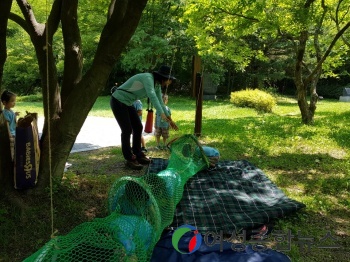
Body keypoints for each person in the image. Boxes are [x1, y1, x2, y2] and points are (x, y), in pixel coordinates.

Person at [110, 65, 178, 170]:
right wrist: (161, 114)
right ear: (164, 78)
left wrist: (170, 119)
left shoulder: (157, 85)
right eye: (170, 80)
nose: (170, 82)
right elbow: (152, 95)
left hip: (128, 103)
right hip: (118, 100)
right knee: (127, 129)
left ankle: (138, 154)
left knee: (138, 127)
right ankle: (129, 158)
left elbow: (160, 101)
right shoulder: (148, 78)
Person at [1, 90, 20, 160]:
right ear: (4, 103)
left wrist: (15, 115)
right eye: (12, 101)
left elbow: (12, 119)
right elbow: (7, 125)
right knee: (12, 150)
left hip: (14, 132)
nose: (14, 103)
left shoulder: (10, 111)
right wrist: (9, 135)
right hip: (11, 134)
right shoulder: (5, 113)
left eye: (14, 101)